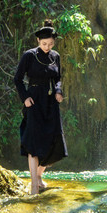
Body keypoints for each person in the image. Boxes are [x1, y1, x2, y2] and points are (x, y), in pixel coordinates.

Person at [14, 20, 66, 195]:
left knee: (55, 140)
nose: (47, 47)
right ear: (38, 41)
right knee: (34, 143)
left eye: (50, 44)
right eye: (44, 43)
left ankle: (38, 175)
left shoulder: (55, 56)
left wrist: (58, 91)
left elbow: (57, 77)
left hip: (50, 101)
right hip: (33, 100)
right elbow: (18, 79)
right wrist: (25, 98)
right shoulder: (29, 55)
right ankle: (34, 185)